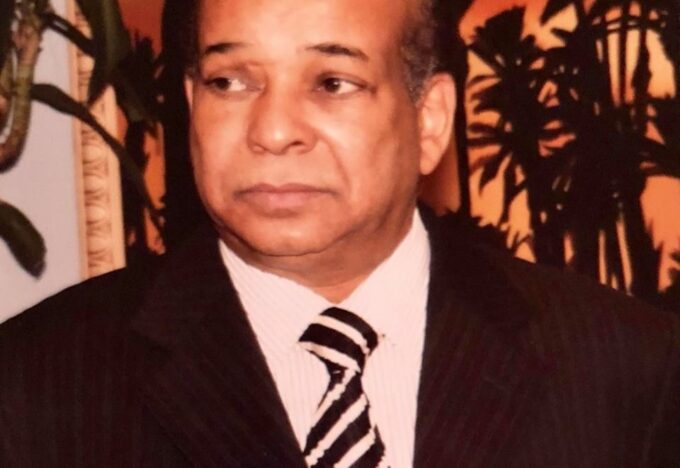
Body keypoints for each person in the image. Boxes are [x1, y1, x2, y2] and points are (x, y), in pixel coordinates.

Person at [1, 0, 679, 466]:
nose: (272, 131)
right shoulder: (37, 385)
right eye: (230, 81)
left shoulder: (625, 369)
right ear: (190, 102)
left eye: (332, 82)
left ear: (430, 120)